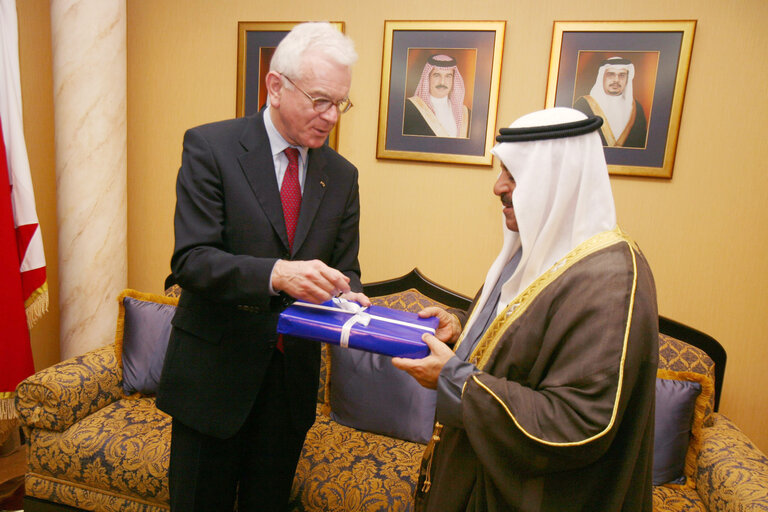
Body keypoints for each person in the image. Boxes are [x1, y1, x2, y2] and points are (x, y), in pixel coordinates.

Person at [393, 107, 659, 511]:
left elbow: (580, 424)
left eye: (513, 174)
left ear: (558, 179)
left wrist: (458, 382)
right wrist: (462, 329)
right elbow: (518, 337)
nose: (498, 187)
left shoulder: (611, 280)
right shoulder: (538, 250)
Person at [156, 22, 369, 512]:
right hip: (213, 382)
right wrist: (275, 274)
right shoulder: (211, 148)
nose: (331, 116)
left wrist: (348, 295)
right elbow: (191, 260)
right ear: (275, 86)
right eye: (320, 100)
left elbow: (347, 269)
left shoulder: (341, 176)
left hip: (289, 389)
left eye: (340, 103)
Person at [573, 56, 648, 148]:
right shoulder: (583, 105)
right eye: (611, 74)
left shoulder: (637, 108)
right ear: (602, 77)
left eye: (622, 75)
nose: (616, 80)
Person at [403, 54, 470, 138]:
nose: (442, 82)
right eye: (437, 75)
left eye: (448, 76)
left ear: (453, 80)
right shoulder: (408, 108)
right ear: (428, 78)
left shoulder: (466, 114)